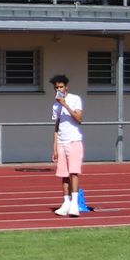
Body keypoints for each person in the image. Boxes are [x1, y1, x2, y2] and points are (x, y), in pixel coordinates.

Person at [51, 74, 88, 218]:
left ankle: (74, 203)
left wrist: (65, 104)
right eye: (56, 88)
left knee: (73, 172)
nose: (59, 89)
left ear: (66, 87)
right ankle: (66, 202)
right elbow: (56, 126)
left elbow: (79, 119)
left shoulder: (75, 99)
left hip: (74, 141)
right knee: (63, 174)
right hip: (61, 142)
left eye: (61, 87)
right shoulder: (55, 106)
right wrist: (55, 147)